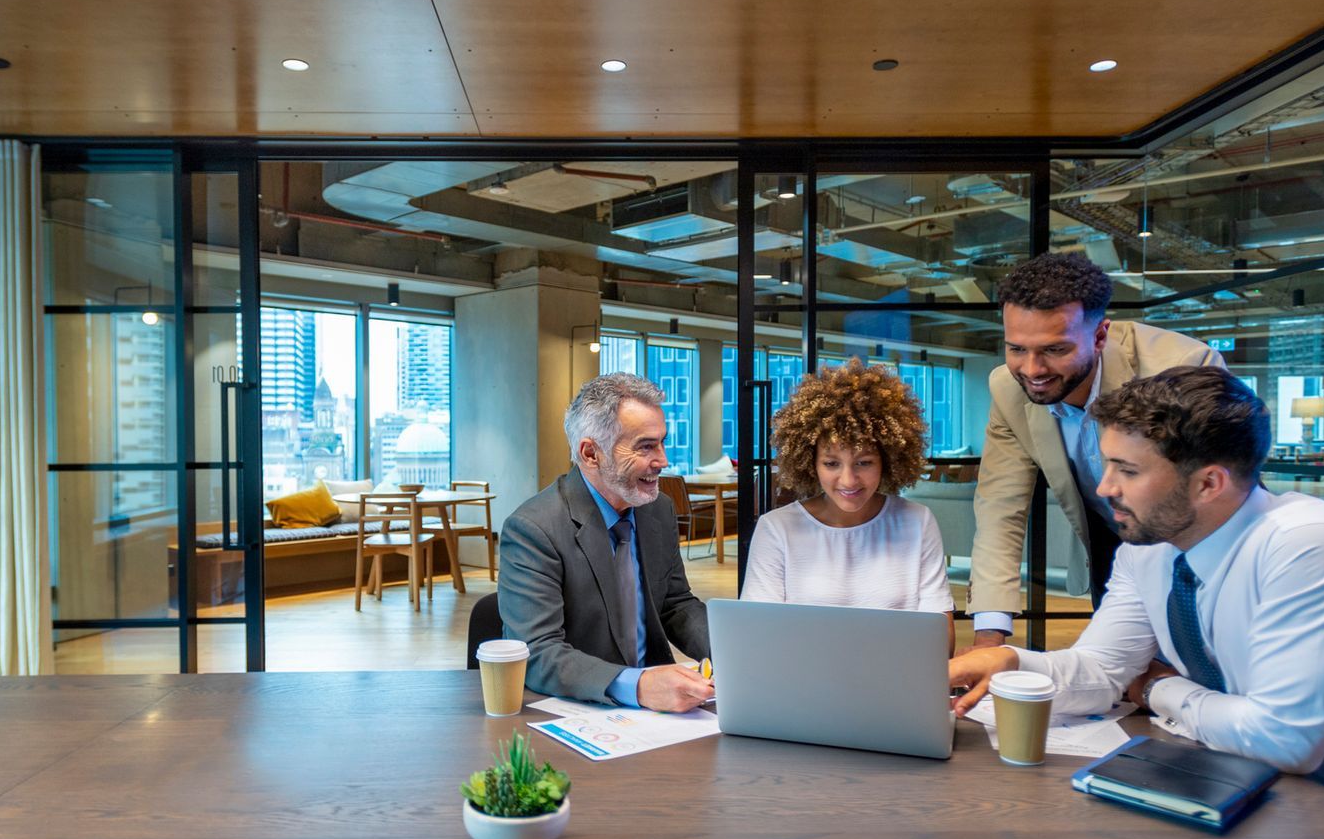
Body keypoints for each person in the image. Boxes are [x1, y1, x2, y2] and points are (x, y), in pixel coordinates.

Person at [951, 367, 1324, 825]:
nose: (1104, 489)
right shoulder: (1149, 548)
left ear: (1209, 483)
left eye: (1127, 471)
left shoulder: (1314, 547)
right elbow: (1105, 671)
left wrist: (1156, 690)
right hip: (1264, 800)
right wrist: (1010, 662)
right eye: (1107, 466)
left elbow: (1285, 740)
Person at [967, 252, 1223, 650]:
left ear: (1100, 336)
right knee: (1119, 683)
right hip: (1110, 542)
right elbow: (1000, 508)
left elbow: (1215, 502)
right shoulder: (1007, 387)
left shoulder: (1182, 367)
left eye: (1054, 350)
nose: (1032, 370)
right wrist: (989, 636)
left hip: (1195, 548)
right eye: (1017, 348)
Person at [499, 373, 713, 712]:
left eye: (662, 442)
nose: (663, 460)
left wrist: (734, 652)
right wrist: (638, 686)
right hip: (580, 709)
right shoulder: (534, 529)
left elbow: (675, 604)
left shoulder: (656, 509)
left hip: (664, 713)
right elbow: (538, 652)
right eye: (646, 446)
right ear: (590, 454)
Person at [741, 360, 954, 653]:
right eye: (831, 463)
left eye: (864, 462)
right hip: (803, 687)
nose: (848, 479)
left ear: (887, 461)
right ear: (810, 463)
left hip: (895, 685)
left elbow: (939, 641)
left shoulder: (917, 522)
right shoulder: (777, 528)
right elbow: (758, 637)